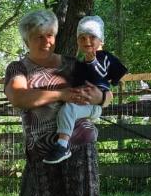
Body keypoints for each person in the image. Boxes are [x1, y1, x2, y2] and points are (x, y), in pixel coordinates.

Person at [4, 9, 111, 196]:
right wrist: (62, 94)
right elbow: (19, 96)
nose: (46, 41)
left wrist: (99, 96)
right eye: (39, 37)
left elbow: (104, 93)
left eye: (50, 35)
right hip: (42, 148)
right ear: (27, 39)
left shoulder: (71, 65)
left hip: (79, 140)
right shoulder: (18, 69)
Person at [43, 15, 128, 164]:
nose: (87, 41)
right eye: (82, 38)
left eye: (92, 37)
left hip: (93, 105)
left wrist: (94, 63)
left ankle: (63, 145)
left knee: (68, 109)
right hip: (81, 103)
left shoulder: (107, 58)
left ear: (101, 40)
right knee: (64, 109)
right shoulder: (79, 64)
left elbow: (109, 78)